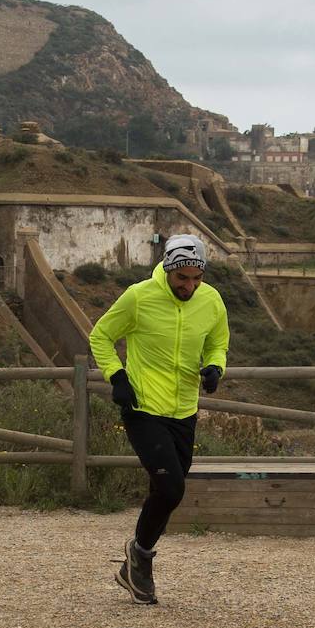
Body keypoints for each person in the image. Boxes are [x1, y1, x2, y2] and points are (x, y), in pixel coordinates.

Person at [89, 234, 229, 604]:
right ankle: (142, 556)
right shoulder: (139, 297)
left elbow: (218, 341)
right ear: (167, 269)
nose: (190, 286)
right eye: (182, 278)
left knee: (165, 491)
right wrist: (116, 377)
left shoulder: (211, 301)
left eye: (196, 279)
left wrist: (216, 366)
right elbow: (101, 336)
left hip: (184, 410)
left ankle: (133, 561)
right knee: (171, 488)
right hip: (143, 408)